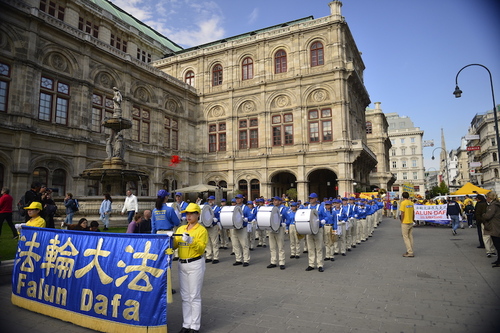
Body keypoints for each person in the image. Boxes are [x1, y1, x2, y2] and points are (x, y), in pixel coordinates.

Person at [173, 203, 208, 333]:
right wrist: (168, 239)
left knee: (194, 296)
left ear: (198, 215)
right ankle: (186, 324)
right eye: (187, 213)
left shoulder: (201, 230)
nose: (189, 216)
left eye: (192, 213)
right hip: (182, 263)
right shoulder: (181, 229)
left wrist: (191, 241)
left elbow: (201, 249)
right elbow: (174, 245)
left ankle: (195, 326)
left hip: (195, 263)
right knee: (185, 296)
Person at [304, 193, 326, 272]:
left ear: (316, 199)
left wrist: (324, 220)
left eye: (312, 198)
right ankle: (311, 264)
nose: (310, 199)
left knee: (319, 248)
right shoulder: (307, 207)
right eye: (310, 198)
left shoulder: (320, 207)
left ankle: (320, 264)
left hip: (318, 229)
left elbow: (325, 216)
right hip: (309, 230)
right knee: (310, 248)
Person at [231, 194, 252, 267]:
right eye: (236, 198)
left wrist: (247, 219)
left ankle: (246, 260)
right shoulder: (234, 208)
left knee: (244, 245)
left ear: (242, 199)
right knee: (235, 244)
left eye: (239, 198)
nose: (237, 200)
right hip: (234, 228)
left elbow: (251, 216)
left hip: (242, 228)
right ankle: (238, 259)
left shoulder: (245, 208)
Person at [266, 196, 286, 270]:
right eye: (274, 200)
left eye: (276, 200)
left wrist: (285, 223)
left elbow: (288, 217)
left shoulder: (283, 208)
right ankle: (273, 262)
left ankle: (282, 262)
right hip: (271, 228)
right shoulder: (270, 208)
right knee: (272, 246)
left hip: (279, 228)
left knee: (281, 246)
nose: (274, 202)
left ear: (280, 201)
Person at [482, 191, 500, 267]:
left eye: (487, 197)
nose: (486, 199)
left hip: (494, 226)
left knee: (497, 244)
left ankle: (499, 261)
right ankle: (498, 260)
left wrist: (483, 215)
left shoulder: (493, 206)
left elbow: (488, 216)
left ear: (490, 198)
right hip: (496, 225)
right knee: (497, 244)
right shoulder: (496, 204)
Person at [204, 196, 221, 264]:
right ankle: (208, 256)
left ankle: (216, 257)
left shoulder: (217, 208)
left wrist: (217, 219)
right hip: (206, 226)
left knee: (214, 242)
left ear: (214, 200)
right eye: (209, 200)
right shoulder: (206, 207)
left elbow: (220, 217)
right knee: (207, 242)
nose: (210, 201)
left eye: (211, 200)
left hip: (213, 226)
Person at [399, 192, 415, 258]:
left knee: (405, 237)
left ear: (403, 197)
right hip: (411, 221)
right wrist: (413, 219)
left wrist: (402, 220)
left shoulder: (403, 203)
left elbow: (402, 213)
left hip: (405, 221)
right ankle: (410, 250)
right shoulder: (411, 203)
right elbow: (413, 212)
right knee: (410, 236)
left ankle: (410, 252)